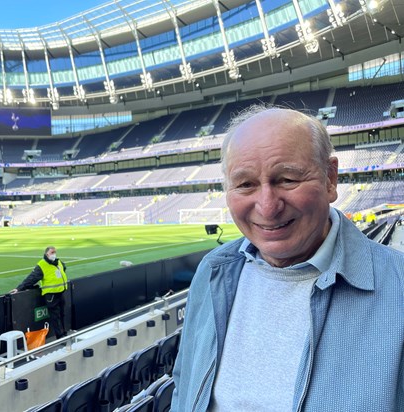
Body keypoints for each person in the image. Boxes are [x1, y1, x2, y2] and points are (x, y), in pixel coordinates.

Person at [171, 106, 404, 411]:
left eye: (287, 179)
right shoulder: (213, 272)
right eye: (245, 184)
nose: (267, 207)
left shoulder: (398, 287)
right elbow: (184, 383)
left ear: (330, 179)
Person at [10, 246, 68, 339]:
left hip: (60, 292)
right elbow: (32, 278)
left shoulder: (59, 262)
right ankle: (60, 336)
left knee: (62, 314)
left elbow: (63, 269)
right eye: (52, 252)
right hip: (51, 295)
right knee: (55, 316)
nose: (54, 254)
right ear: (46, 254)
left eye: (55, 252)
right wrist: (19, 288)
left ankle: (64, 333)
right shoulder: (42, 265)